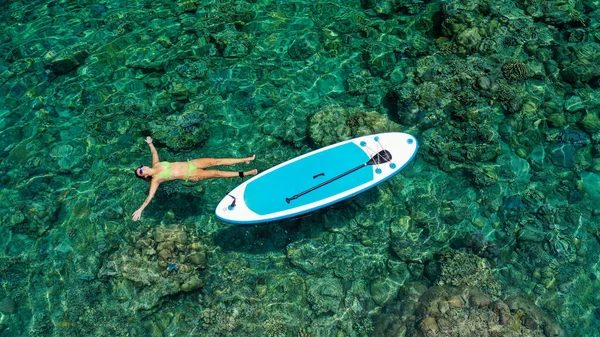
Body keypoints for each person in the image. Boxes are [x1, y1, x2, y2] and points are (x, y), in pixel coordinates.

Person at [132, 136, 257, 221]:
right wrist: (140, 210)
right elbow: (150, 196)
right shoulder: (155, 180)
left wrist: (150, 143)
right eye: (141, 171)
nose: (143, 168)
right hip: (191, 175)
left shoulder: (156, 164)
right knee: (217, 173)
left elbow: (154, 153)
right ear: (145, 175)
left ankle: (246, 159)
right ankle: (246, 173)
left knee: (216, 161)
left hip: (191, 163)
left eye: (141, 167)